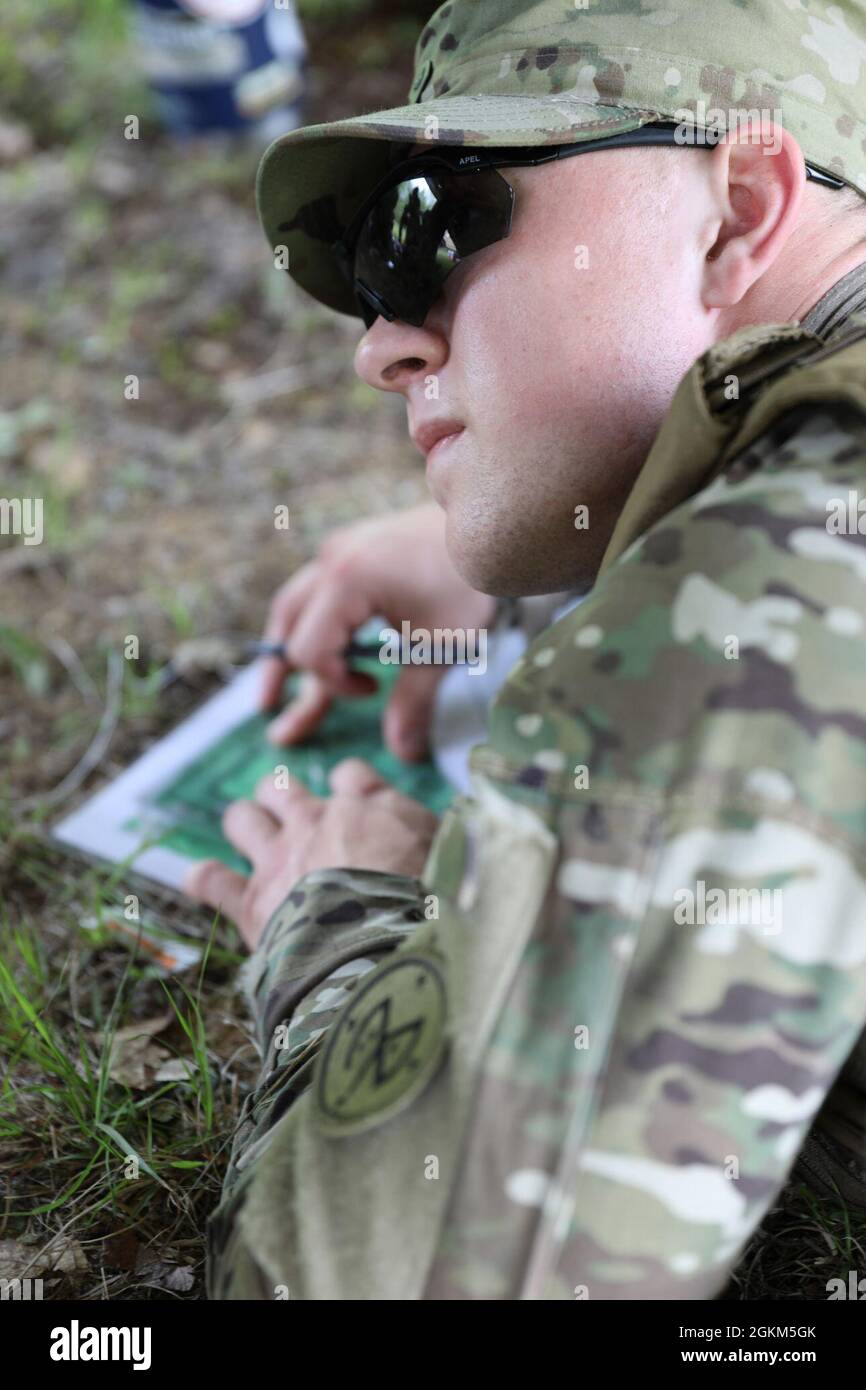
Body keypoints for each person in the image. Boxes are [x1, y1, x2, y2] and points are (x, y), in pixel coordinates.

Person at [186, 0, 866, 1299]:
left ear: (735, 206)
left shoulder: (771, 587)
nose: (381, 347)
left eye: (428, 228)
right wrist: (597, 523)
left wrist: (335, 926)